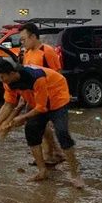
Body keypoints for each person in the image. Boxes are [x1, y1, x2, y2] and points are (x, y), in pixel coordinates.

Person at [0, 60, 84, 188]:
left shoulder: (36, 78)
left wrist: (23, 117)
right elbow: (8, 104)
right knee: (31, 130)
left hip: (57, 99)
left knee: (62, 132)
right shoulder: (8, 83)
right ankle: (42, 171)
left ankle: (75, 174)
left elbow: (41, 108)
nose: (0, 80)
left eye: (2, 77)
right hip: (37, 100)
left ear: (11, 73)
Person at [19, 22, 65, 164]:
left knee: (42, 126)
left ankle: (50, 154)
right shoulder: (27, 53)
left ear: (33, 36)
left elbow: (57, 74)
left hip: (47, 98)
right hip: (33, 97)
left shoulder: (47, 51)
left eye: (24, 39)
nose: (22, 42)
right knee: (39, 127)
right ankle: (55, 152)